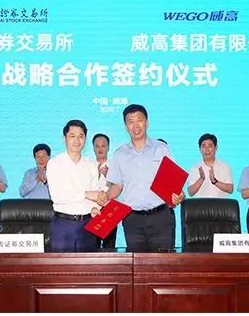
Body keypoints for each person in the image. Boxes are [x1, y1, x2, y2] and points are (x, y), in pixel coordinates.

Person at [104, 104, 184, 252]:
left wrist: (179, 195)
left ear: (147, 122)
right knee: (136, 264)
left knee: (163, 263)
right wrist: (105, 196)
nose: (135, 125)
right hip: (132, 219)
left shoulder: (161, 149)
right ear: (125, 126)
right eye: (130, 121)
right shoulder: (119, 154)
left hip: (160, 217)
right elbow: (117, 186)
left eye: (139, 120)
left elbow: (174, 185)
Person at [47, 120, 103, 252]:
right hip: (63, 225)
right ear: (64, 138)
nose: (77, 141)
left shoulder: (91, 164)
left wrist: (95, 207)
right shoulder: (55, 163)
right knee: (62, 265)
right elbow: (57, 196)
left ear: (85, 139)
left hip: (88, 224)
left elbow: (94, 193)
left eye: (80, 136)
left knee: (87, 264)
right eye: (72, 136)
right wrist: (86, 194)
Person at [186, 133, 233, 198]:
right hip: (200, 204)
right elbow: (190, 192)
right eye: (204, 146)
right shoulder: (194, 168)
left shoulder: (224, 166)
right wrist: (201, 179)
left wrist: (215, 181)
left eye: (210, 146)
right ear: (200, 149)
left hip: (220, 204)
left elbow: (230, 189)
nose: (207, 149)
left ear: (216, 147)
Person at [92, 133, 116, 249]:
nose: (100, 149)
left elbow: (120, 188)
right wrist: (95, 176)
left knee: (109, 246)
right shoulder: (88, 166)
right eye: (97, 146)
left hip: (110, 209)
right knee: (92, 244)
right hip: (92, 208)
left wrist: (109, 177)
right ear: (93, 148)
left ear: (108, 147)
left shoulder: (115, 166)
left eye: (103, 146)